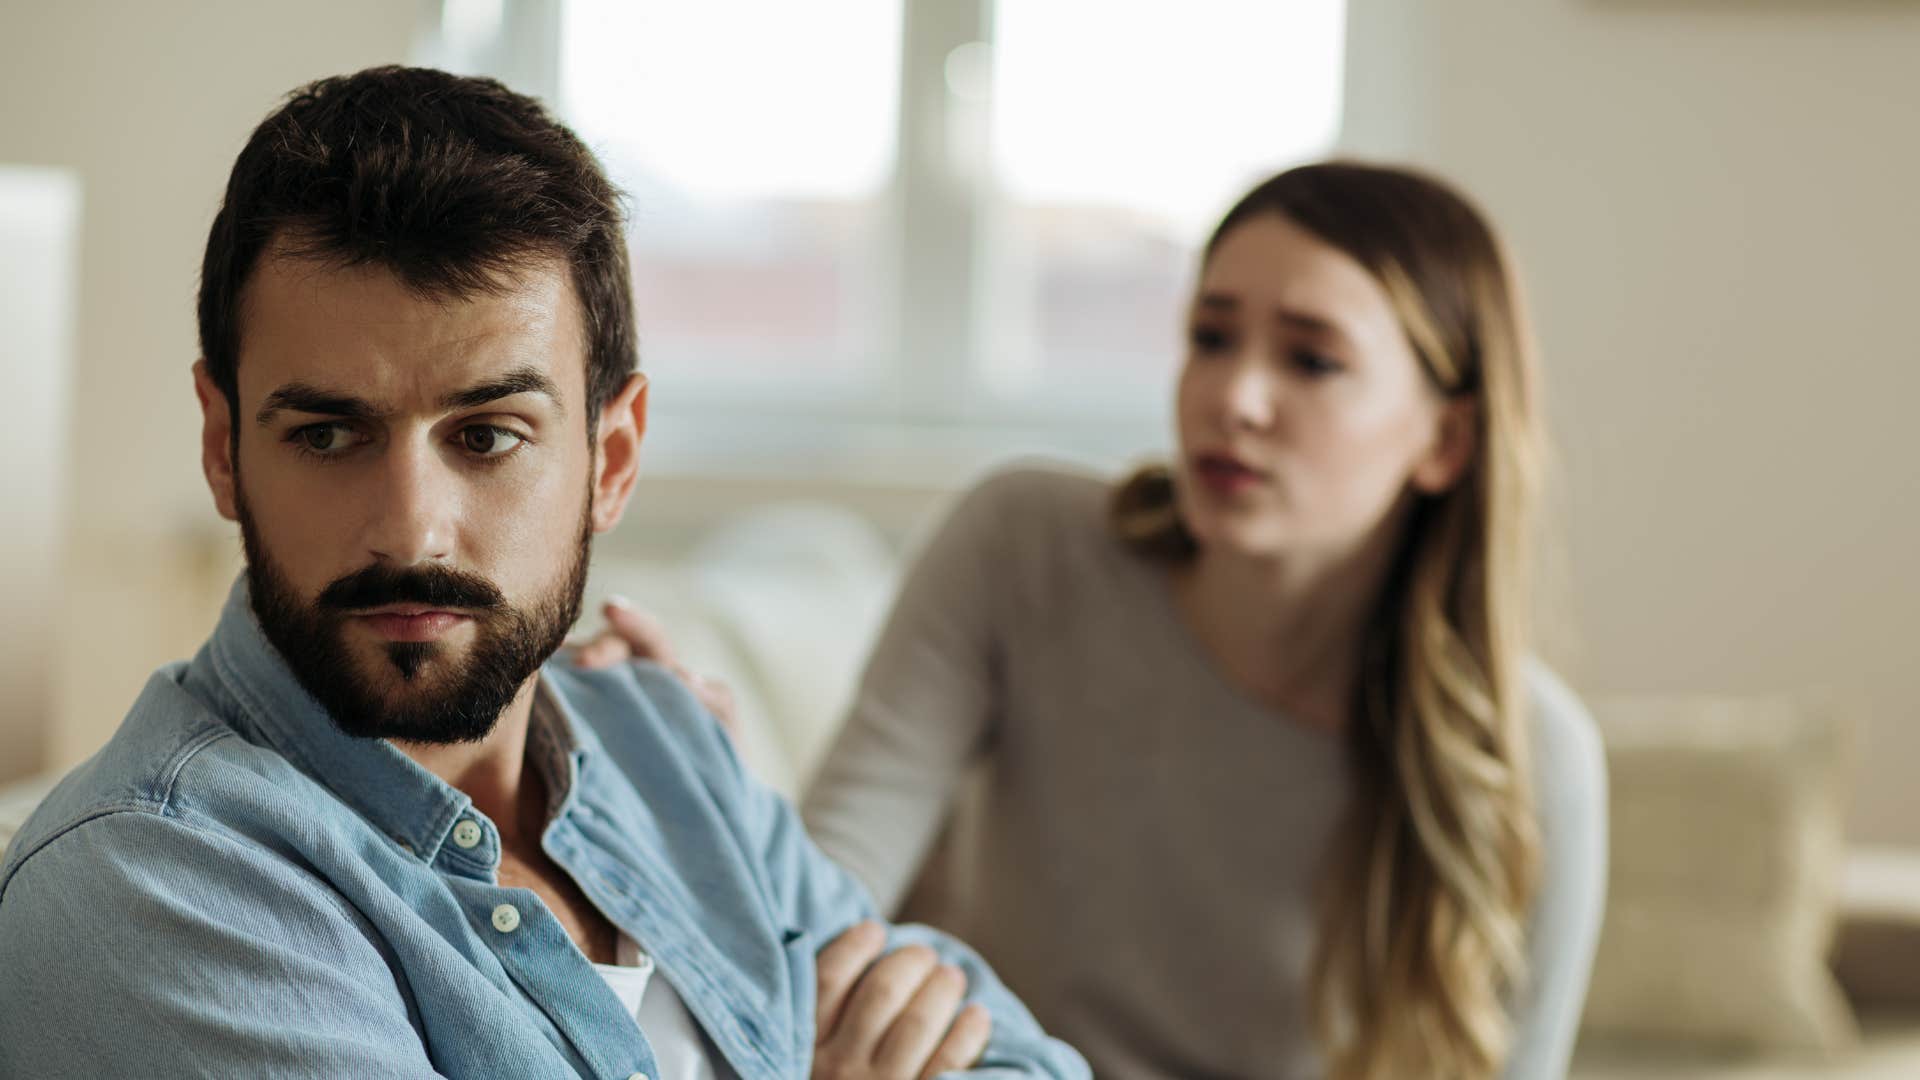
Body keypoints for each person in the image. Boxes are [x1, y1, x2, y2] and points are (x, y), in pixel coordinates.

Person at [0, 66, 1086, 1080]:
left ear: (612, 459)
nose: (413, 531)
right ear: (222, 446)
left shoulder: (663, 743)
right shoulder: (151, 887)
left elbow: (1020, 1059)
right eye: (328, 436)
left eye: (487, 437)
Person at [578, 163, 1609, 1079]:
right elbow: (818, 918)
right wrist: (701, 782)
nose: (1235, 396)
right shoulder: (1024, 546)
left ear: (1446, 441)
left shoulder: (1532, 756)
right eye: (1211, 337)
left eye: (1312, 360)